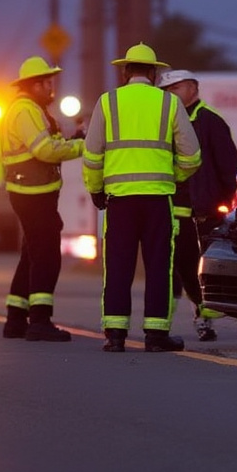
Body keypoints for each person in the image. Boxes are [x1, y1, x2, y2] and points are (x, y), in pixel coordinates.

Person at [83, 43, 201, 353]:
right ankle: (156, 336)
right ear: (154, 73)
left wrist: (96, 189)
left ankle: (115, 335)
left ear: (125, 72)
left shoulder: (108, 102)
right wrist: (172, 176)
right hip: (157, 200)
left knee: (118, 266)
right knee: (159, 266)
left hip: (120, 200)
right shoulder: (169, 103)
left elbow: (92, 155)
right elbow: (192, 156)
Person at [0, 56, 85, 342]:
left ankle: (15, 319)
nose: (51, 88)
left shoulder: (32, 109)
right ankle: (40, 321)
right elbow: (45, 150)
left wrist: (74, 139)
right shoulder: (25, 110)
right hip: (32, 194)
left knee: (32, 254)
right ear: (34, 85)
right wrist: (82, 146)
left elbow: (50, 144)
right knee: (46, 255)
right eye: (47, 83)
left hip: (34, 193)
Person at [156, 69, 237, 342]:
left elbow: (229, 167)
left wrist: (227, 204)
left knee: (194, 266)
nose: (169, 95)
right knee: (172, 266)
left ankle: (203, 317)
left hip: (203, 212)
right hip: (170, 207)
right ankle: (162, 325)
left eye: (175, 89)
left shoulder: (210, 121)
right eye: (166, 91)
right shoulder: (165, 120)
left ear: (193, 88)